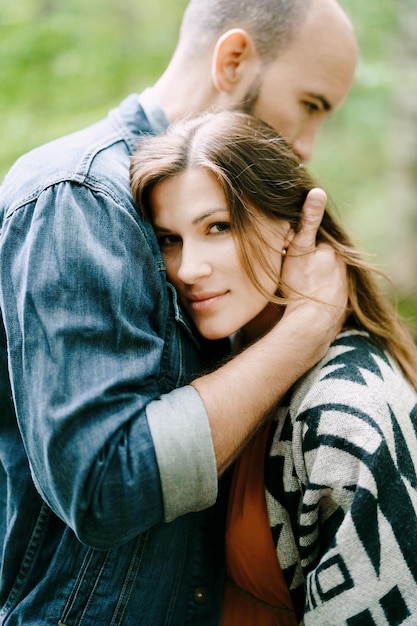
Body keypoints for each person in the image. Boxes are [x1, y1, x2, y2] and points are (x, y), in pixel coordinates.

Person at [0, 0, 357, 624]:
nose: (305, 144)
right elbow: (104, 484)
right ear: (235, 60)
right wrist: (301, 332)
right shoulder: (81, 199)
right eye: (310, 104)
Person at [129, 110, 417, 626]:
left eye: (218, 227)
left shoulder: (347, 412)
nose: (188, 269)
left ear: (291, 225)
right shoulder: (216, 361)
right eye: (169, 239)